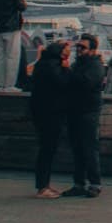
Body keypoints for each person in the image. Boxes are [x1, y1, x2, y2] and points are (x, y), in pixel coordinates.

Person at [65, 32, 105, 197]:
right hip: (75, 110)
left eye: (83, 47)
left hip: (88, 111)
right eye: (78, 47)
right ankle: (79, 183)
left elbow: (85, 83)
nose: (79, 50)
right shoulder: (78, 64)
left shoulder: (95, 66)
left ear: (93, 50)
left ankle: (95, 183)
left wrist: (68, 73)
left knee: (89, 148)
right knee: (77, 149)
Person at [30, 40, 71, 197]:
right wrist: (66, 70)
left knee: (47, 148)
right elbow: (62, 83)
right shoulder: (53, 66)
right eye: (68, 49)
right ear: (61, 52)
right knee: (48, 148)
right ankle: (43, 186)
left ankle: (44, 185)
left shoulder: (43, 63)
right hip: (50, 112)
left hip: (42, 110)